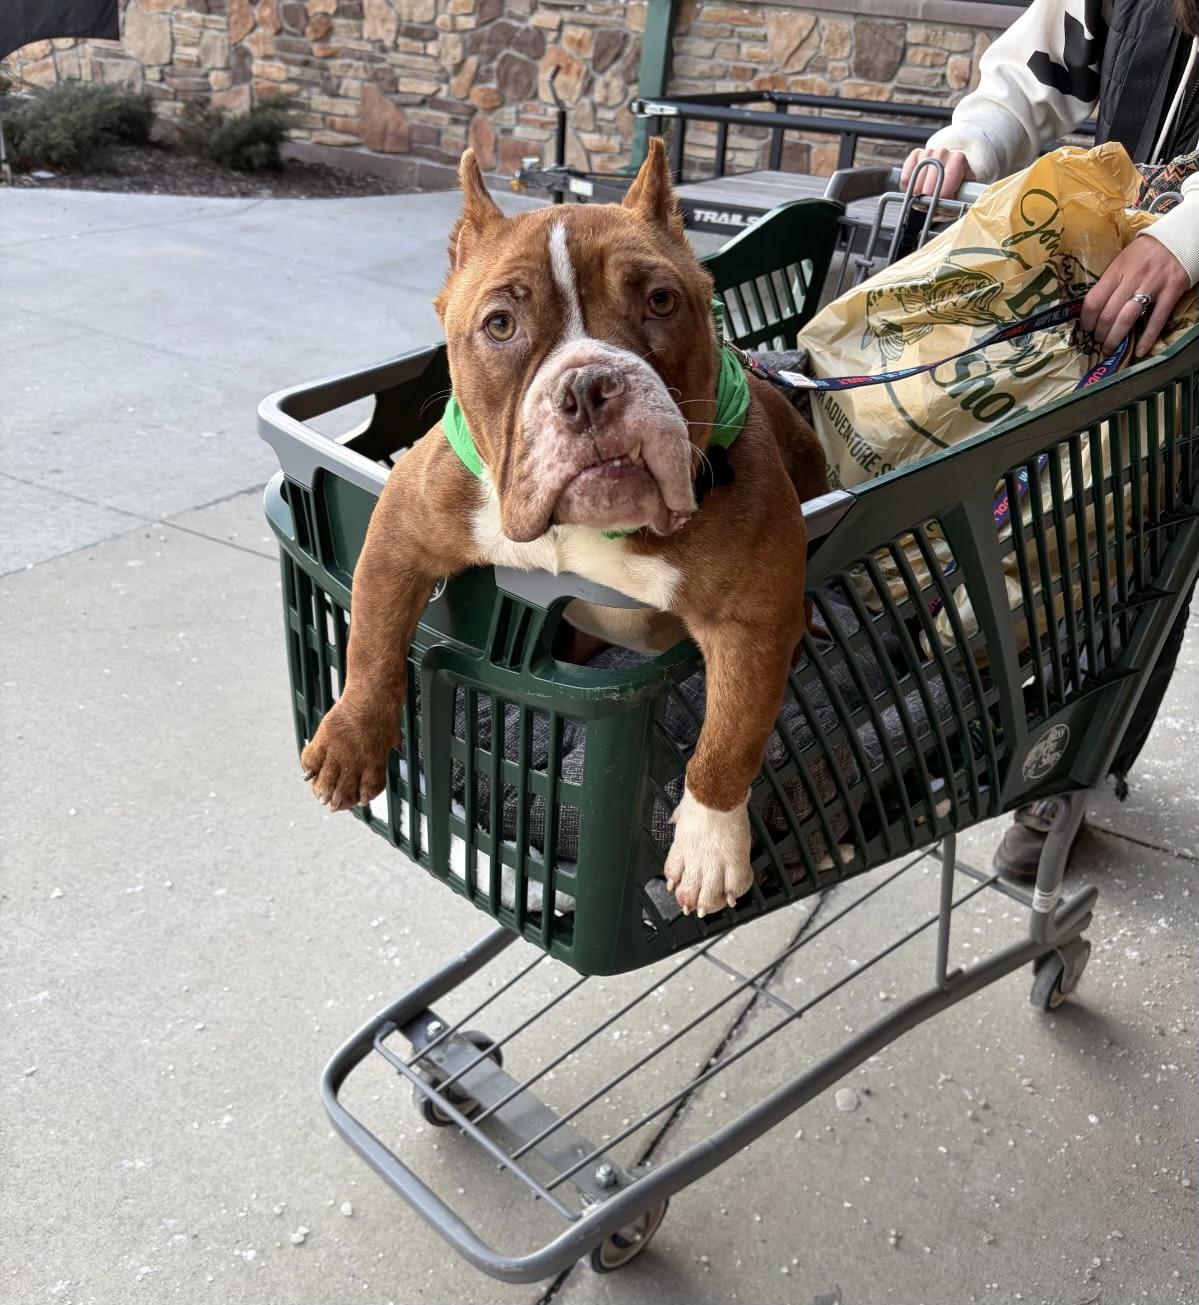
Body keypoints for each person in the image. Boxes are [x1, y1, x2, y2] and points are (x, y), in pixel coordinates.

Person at [900, 0, 1198, 879]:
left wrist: (1185, 239)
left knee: (1149, 544)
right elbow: (1046, 56)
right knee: (1060, 512)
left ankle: (1067, 774)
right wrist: (973, 141)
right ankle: (1019, 731)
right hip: (1106, 288)